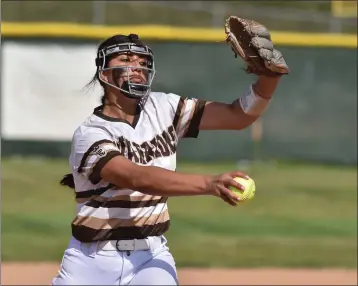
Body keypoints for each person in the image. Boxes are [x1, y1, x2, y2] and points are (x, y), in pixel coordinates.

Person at [52, 33, 283, 285]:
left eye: (142, 62)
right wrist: (208, 184)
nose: (137, 67)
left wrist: (269, 79)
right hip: (90, 262)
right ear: (104, 74)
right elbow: (135, 176)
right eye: (126, 59)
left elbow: (237, 116)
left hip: (150, 258)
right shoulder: (91, 133)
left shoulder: (165, 108)